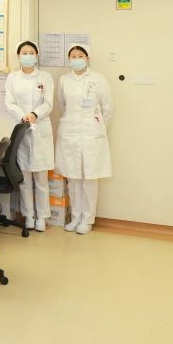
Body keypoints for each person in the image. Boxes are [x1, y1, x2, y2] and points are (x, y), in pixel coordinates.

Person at [55, 44, 114, 234]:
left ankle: (87, 220)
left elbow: (108, 108)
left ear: (88, 58)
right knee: (73, 178)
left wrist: (97, 127)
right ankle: (75, 217)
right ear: (69, 59)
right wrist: (73, 122)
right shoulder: (64, 80)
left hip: (91, 134)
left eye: (80, 56)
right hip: (70, 132)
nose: (77, 59)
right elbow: (62, 105)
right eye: (73, 56)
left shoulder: (98, 79)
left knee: (89, 178)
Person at [3, 41, 55, 231]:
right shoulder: (12, 78)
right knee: (24, 178)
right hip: (21, 130)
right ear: (18, 56)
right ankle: (28, 216)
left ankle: (42, 217)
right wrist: (23, 116)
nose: (28, 55)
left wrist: (34, 114)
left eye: (31, 52)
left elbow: (48, 103)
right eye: (24, 53)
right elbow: (9, 103)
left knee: (41, 179)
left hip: (40, 128)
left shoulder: (45, 77)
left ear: (36, 55)